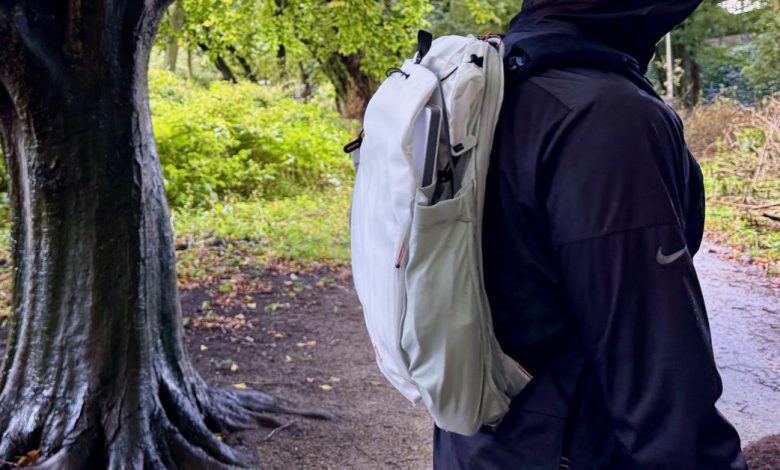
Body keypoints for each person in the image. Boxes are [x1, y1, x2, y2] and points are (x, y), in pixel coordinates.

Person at [433, 1, 748, 469]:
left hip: (478, 443)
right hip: (568, 451)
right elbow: (660, 387)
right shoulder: (606, 116)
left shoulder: (495, 80)